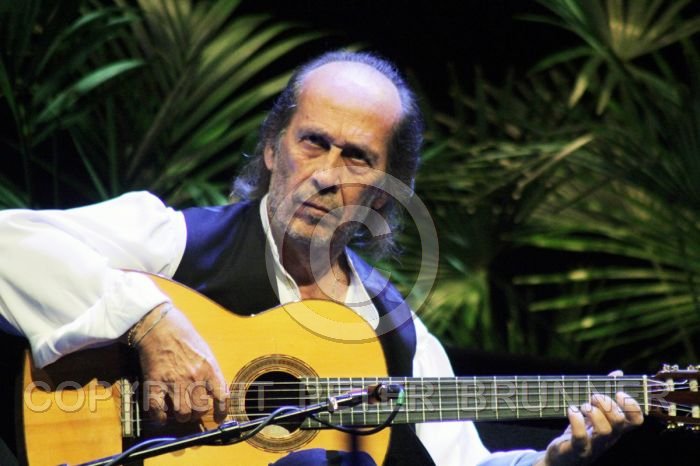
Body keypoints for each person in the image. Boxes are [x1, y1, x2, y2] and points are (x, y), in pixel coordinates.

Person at [0, 50, 642, 465]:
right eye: (313, 143)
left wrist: (551, 459)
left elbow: (462, 461)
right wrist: (150, 323)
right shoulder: (174, 240)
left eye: (357, 157)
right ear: (272, 149)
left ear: (388, 190)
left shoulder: (398, 333)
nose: (326, 175)